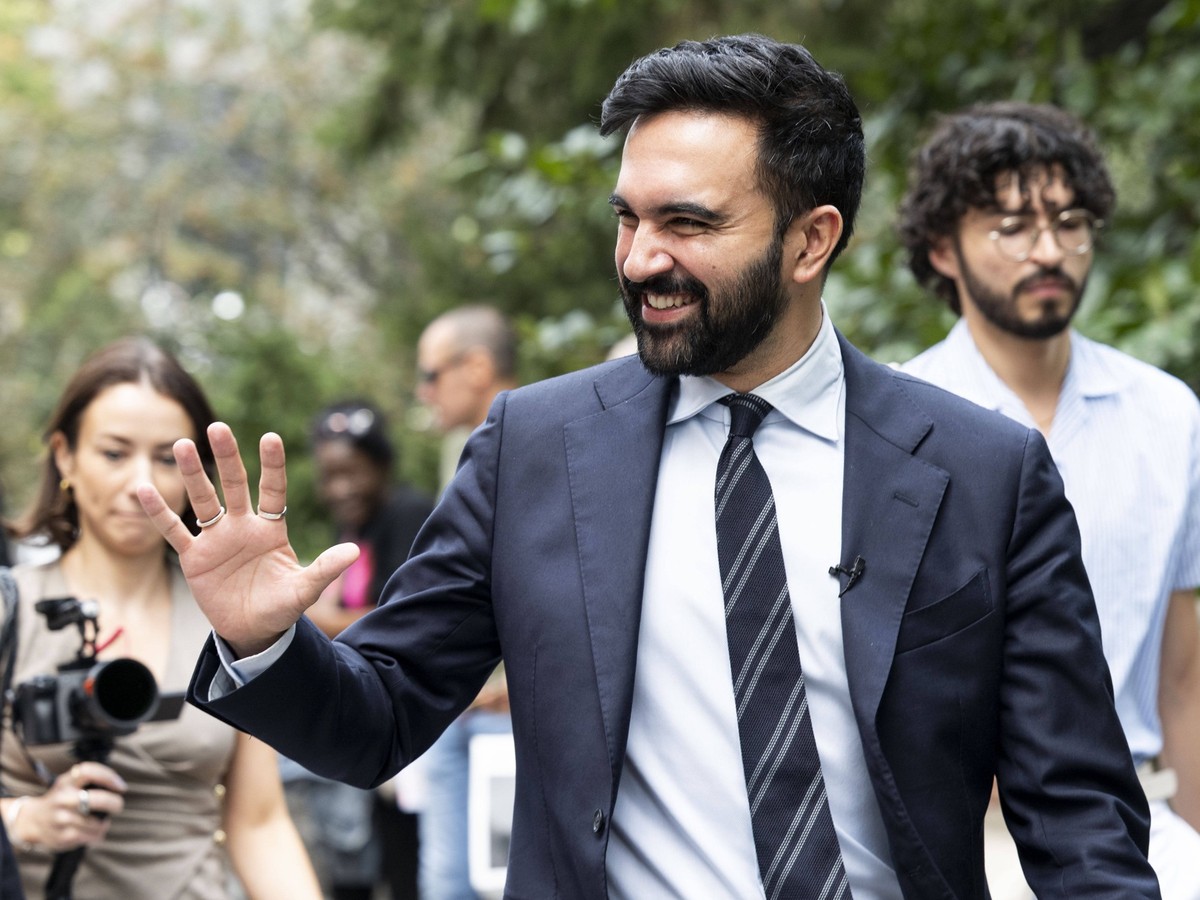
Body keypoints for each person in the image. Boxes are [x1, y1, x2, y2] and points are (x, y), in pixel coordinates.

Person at [137, 35, 1159, 899]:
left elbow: (1079, 820)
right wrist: (267, 642)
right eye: (629, 217)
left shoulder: (985, 473)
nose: (639, 259)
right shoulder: (532, 447)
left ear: (812, 242)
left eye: (689, 224)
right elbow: (379, 718)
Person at [898, 101, 1200, 898]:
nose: (1049, 251)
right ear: (942, 248)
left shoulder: (1169, 415)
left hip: (1135, 821)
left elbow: (1184, 678)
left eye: (1069, 221)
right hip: (947, 830)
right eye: (1010, 226)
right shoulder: (897, 423)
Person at [0, 336, 321, 900]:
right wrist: (25, 819)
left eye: (165, 458)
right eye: (114, 453)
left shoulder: (226, 617)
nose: (139, 486)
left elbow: (260, 822)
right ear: (64, 454)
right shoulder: (11, 608)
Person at [284, 400, 432, 900]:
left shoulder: (409, 514)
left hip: (418, 718)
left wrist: (308, 616)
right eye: (329, 476)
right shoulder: (354, 528)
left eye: (352, 473)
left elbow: (405, 614)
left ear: (382, 466)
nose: (339, 489)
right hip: (369, 711)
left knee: (409, 865)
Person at [414, 306, 518, 899]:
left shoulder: (539, 441)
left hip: (510, 717)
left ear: (475, 368)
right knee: (446, 885)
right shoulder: (458, 449)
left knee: (498, 883)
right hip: (454, 710)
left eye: (430, 375)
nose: (423, 391)